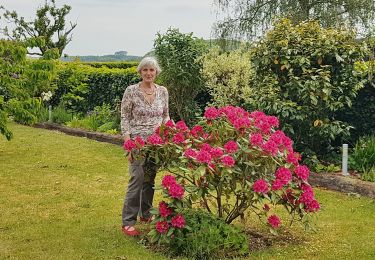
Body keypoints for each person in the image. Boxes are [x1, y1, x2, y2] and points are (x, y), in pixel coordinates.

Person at [120, 57, 170, 236]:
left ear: (156, 72)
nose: (149, 73)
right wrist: (128, 141)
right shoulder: (131, 91)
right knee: (137, 179)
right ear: (140, 72)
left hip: (156, 143)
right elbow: (125, 117)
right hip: (137, 142)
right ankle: (128, 221)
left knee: (149, 178)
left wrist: (169, 129)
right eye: (145, 70)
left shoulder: (163, 91)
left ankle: (146, 213)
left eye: (152, 70)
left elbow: (165, 116)